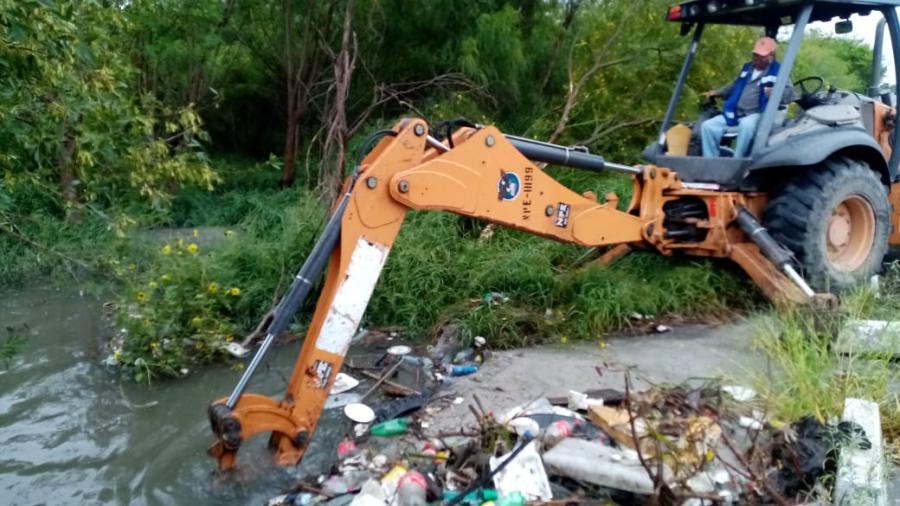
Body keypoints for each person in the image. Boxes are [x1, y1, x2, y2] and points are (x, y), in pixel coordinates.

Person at [700, 36, 793, 158]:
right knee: (708, 126)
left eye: (761, 56)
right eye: (755, 55)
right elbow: (735, 85)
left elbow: (790, 92)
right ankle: (710, 162)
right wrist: (719, 92)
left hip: (758, 114)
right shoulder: (747, 68)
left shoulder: (779, 71)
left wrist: (777, 92)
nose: (756, 58)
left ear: (771, 56)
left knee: (747, 125)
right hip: (736, 113)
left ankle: (738, 161)